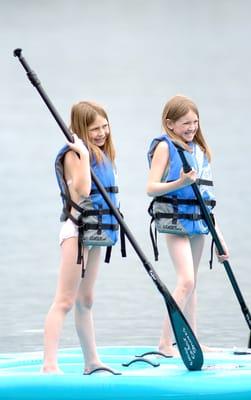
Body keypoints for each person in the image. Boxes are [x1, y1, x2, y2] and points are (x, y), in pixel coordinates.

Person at [146, 94, 229, 356]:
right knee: (186, 282)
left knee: (193, 285)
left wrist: (219, 238)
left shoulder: (200, 151)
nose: (192, 127)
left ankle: (192, 338)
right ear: (170, 124)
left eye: (195, 122)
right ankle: (164, 343)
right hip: (175, 222)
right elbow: (151, 187)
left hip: (199, 223)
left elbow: (206, 201)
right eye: (185, 123)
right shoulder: (165, 147)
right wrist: (179, 183)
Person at [42, 101, 120, 374]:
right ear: (80, 130)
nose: (101, 133)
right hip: (76, 232)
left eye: (104, 126)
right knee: (64, 300)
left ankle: (92, 361)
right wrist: (84, 155)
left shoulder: (101, 154)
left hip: (96, 234)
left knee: (86, 300)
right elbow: (84, 190)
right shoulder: (75, 155)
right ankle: (49, 365)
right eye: (94, 129)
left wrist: (91, 153)